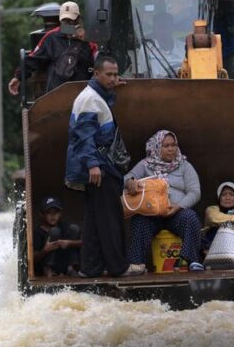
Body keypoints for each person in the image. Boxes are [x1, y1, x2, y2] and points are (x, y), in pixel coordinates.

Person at [64, 56, 145, 277]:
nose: (113, 78)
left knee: (94, 221)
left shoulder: (96, 96)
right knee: (111, 218)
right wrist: (93, 165)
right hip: (100, 167)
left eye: (115, 74)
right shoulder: (90, 99)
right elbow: (83, 135)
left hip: (100, 165)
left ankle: (90, 269)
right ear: (96, 74)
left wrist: (111, 88)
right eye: (108, 75)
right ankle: (119, 267)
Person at [124, 130, 204, 271]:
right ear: (156, 147)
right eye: (166, 145)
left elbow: (195, 192)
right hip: (152, 214)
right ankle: (137, 264)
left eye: (173, 145)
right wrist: (131, 183)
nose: (171, 149)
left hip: (176, 213)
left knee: (191, 218)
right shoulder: (145, 165)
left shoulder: (184, 165)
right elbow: (126, 179)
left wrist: (179, 206)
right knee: (139, 220)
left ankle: (191, 260)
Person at [8, 1, 96, 95]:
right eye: (65, 20)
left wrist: (84, 39)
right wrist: (18, 77)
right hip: (56, 94)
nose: (68, 24)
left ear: (78, 19)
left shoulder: (89, 38)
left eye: (71, 20)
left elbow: (99, 61)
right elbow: (33, 59)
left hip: (83, 93)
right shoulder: (51, 37)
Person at [32, 196, 82, 277]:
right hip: (46, 266)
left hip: (62, 264)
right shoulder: (38, 232)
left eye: (56, 212)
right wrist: (45, 250)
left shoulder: (64, 226)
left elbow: (84, 242)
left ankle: (71, 268)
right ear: (42, 214)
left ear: (61, 214)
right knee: (54, 231)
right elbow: (33, 259)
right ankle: (48, 269)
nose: (53, 215)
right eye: (49, 212)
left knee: (74, 228)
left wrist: (70, 243)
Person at [201, 181, 234, 252]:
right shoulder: (212, 209)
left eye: (231, 195)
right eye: (224, 194)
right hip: (212, 249)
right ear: (219, 198)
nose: (227, 198)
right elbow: (214, 218)